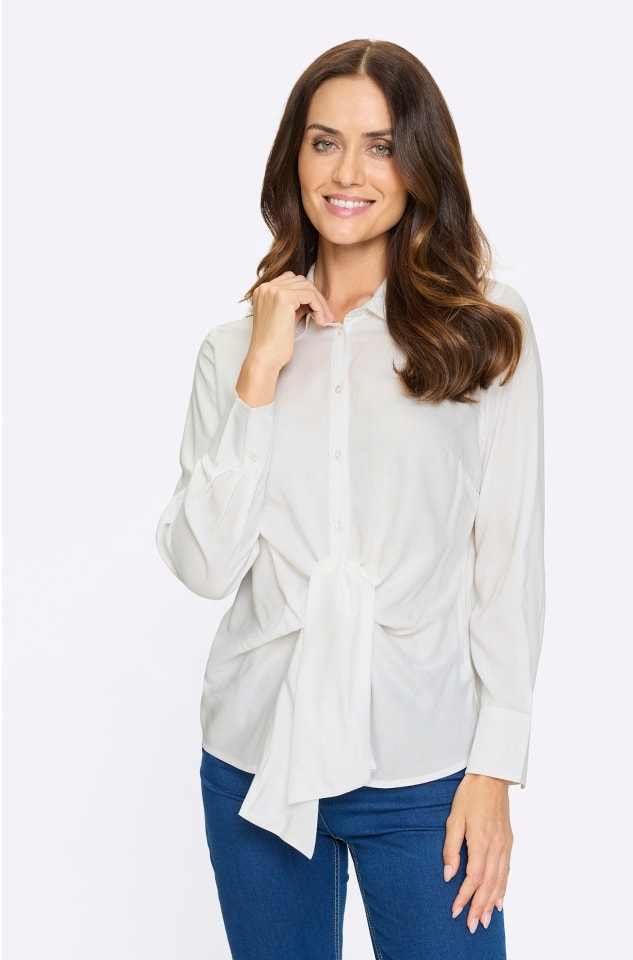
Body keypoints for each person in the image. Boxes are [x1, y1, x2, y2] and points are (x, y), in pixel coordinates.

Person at [156, 38, 544, 960]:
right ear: (294, 157)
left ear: (420, 164)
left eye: (380, 146)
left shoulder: (485, 332)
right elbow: (204, 566)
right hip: (254, 761)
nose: (347, 173)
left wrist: (496, 767)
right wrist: (261, 369)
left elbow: (507, 562)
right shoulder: (230, 349)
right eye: (325, 142)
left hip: (425, 773)